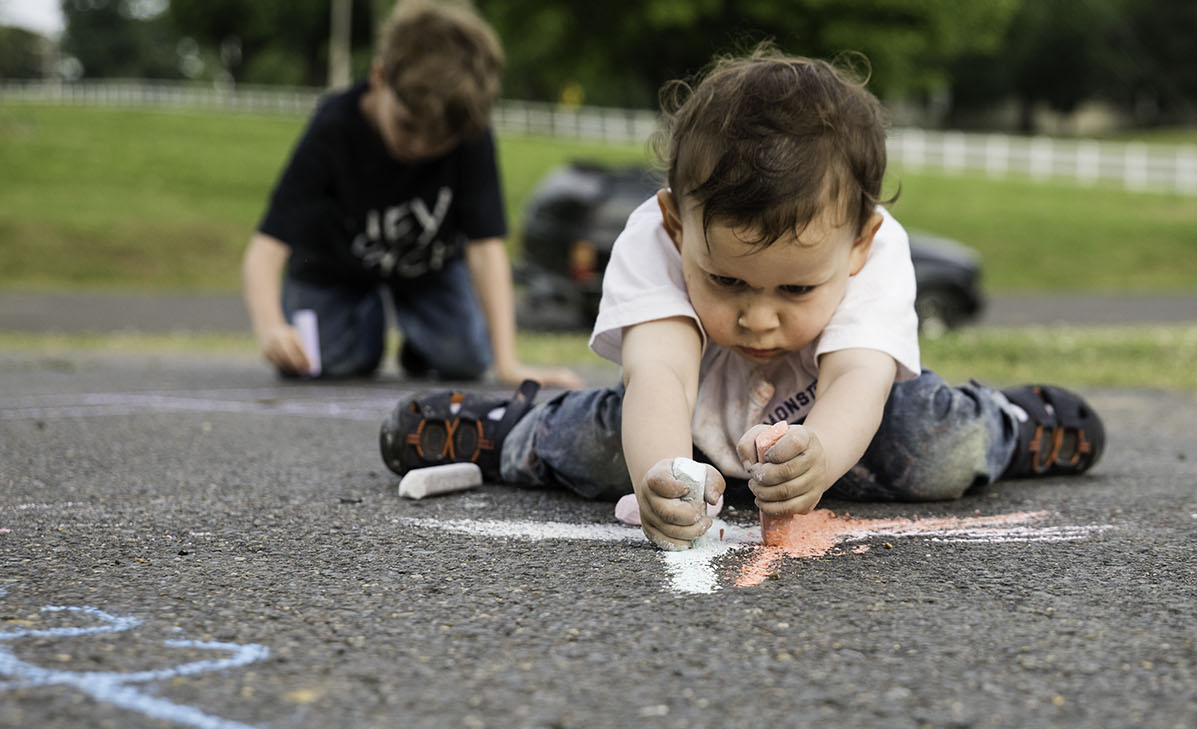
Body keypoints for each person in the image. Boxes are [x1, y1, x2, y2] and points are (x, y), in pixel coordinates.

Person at [380, 47, 1104, 549]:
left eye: (795, 289)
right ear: (675, 224)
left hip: (840, 426)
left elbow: (859, 378)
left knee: (936, 445)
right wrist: (663, 476)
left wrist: (818, 453)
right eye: (726, 282)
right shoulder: (653, 236)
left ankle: (1010, 423)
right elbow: (660, 372)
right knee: (608, 442)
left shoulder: (875, 251)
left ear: (857, 246)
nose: (759, 318)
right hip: (694, 413)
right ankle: (514, 430)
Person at [241, 0, 581, 389]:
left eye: (439, 141)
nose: (419, 147)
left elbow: (486, 249)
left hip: (428, 270)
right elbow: (265, 250)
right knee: (325, 363)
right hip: (335, 271)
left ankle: (420, 341)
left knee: (469, 359)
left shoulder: (468, 128)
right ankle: (367, 322)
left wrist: (508, 363)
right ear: (380, 77)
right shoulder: (334, 126)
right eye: (407, 126)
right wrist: (271, 328)